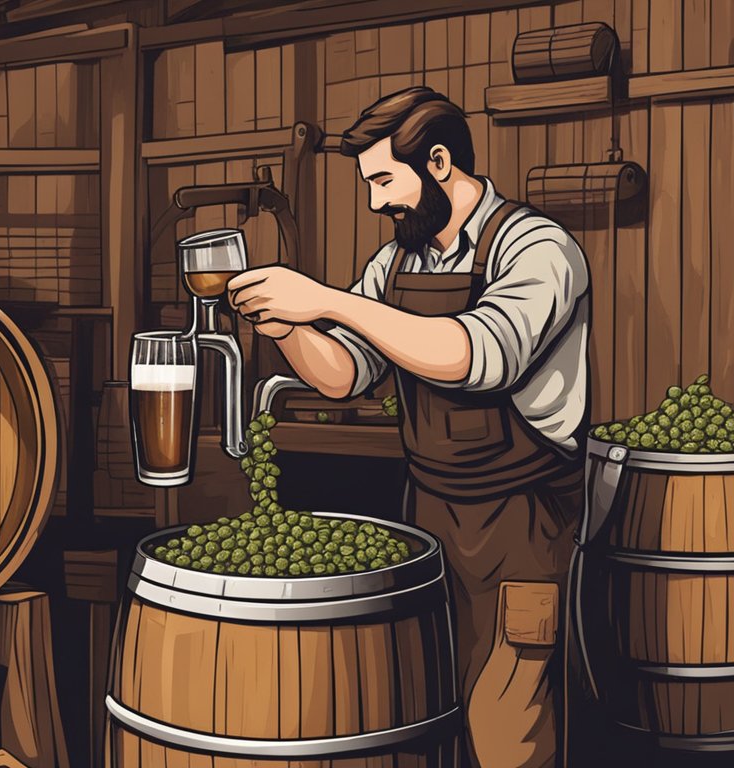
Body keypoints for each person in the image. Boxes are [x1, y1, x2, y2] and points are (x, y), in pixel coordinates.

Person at [226, 86, 589, 768]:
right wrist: (288, 328)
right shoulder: (398, 262)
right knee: (425, 711)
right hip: (427, 518)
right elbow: (345, 373)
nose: (376, 203)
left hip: (522, 527)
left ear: (441, 162)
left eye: (384, 180)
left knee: (508, 723)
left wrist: (327, 299)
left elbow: (477, 357)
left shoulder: (538, 249)